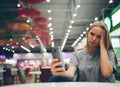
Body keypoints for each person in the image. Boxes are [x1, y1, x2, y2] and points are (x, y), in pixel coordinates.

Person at [49, 21, 117, 82]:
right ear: (87, 34)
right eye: (92, 34)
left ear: (104, 39)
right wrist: (61, 72)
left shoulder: (109, 53)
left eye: (99, 37)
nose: (94, 38)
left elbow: (106, 73)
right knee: (54, 78)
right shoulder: (77, 55)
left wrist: (102, 44)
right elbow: (71, 73)